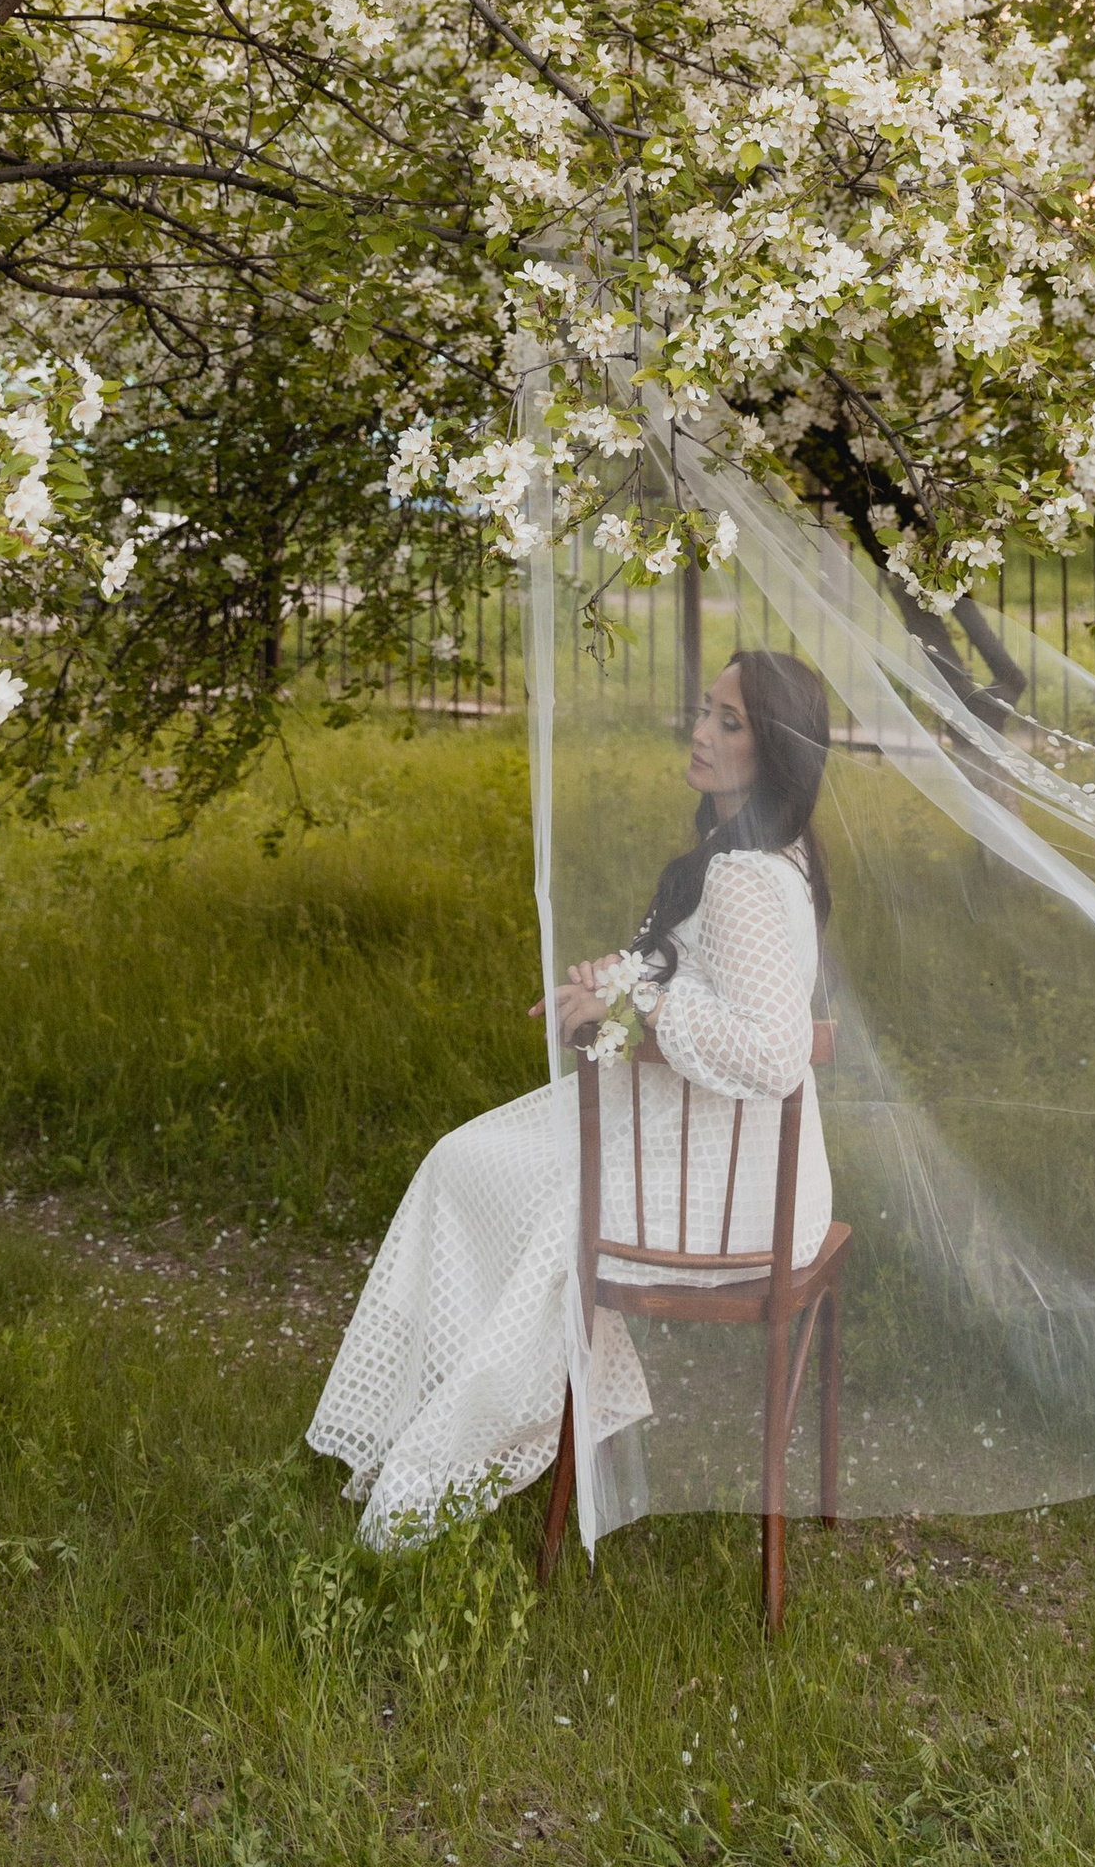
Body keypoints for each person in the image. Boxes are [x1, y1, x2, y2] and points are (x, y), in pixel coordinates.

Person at [307, 649, 834, 1549]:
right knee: (465, 1160)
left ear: (775, 750)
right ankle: (443, 1421)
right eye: (705, 710)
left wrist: (637, 1001)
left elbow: (776, 1051)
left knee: (523, 1198)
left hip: (739, 1191)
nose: (701, 734)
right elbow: (712, 989)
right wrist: (620, 983)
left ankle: (440, 1459)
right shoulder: (750, 852)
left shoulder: (746, 878)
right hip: (732, 1154)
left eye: (729, 722)